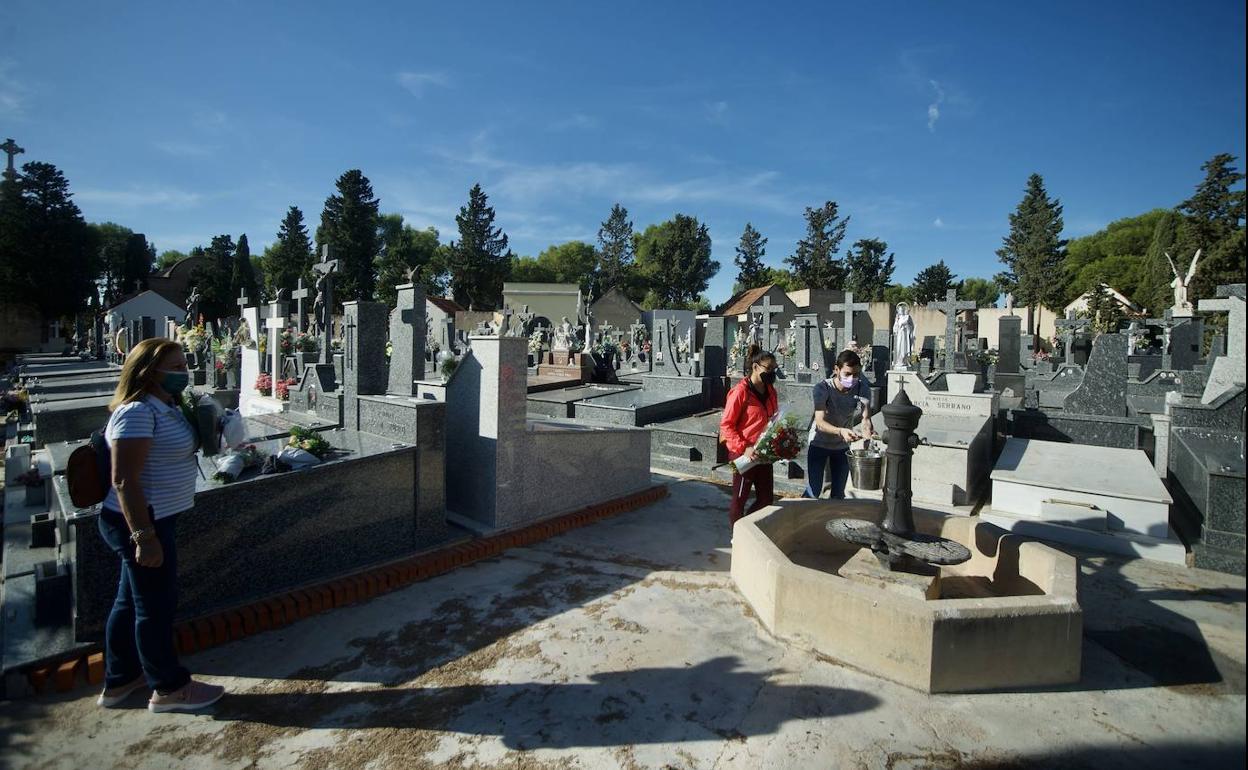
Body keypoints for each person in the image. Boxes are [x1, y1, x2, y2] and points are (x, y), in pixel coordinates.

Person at [95, 337, 225, 713]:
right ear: (150, 372)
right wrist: (144, 537)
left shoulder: (165, 405)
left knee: (129, 603)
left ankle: (120, 679)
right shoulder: (136, 412)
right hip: (141, 522)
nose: (185, 372)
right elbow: (124, 480)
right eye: (177, 367)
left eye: (185, 365)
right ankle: (169, 688)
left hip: (158, 518)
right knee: (155, 607)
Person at [720, 345, 780, 527]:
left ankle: (747, 527)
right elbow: (727, 425)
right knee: (740, 499)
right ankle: (738, 534)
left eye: (774, 369)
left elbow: (773, 417)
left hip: (763, 452)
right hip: (743, 454)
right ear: (755, 367)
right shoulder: (740, 392)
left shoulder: (771, 391)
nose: (772, 373)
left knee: (766, 499)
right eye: (768, 368)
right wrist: (744, 447)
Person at [805, 350, 875, 500]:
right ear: (836, 370)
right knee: (814, 490)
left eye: (856, 375)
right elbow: (820, 422)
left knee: (838, 493)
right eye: (847, 374)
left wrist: (867, 436)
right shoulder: (823, 388)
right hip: (819, 443)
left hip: (841, 446)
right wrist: (841, 431)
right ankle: (798, 512)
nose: (852, 379)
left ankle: (833, 515)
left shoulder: (862, 388)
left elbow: (866, 418)